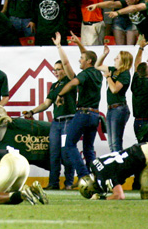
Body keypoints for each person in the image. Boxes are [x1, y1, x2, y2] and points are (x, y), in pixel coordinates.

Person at [23, 56, 76, 190]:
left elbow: (67, 64)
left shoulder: (71, 80)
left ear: (65, 70)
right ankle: (53, 183)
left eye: (59, 69)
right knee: (54, 154)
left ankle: (69, 183)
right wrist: (32, 112)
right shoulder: (54, 86)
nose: (56, 72)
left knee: (66, 154)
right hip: (56, 123)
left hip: (68, 121)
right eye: (54, 70)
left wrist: (58, 47)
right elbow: (46, 104)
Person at [57, 34, 103, 184]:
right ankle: (95, 177)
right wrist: (78, 43)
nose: (79, 60)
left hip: (83, 113)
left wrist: (60, 94)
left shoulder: (84, 74)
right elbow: (89, 56)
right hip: (95, 115)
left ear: (88, 61)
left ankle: (83, 175)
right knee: (88, 149)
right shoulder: (97, 73)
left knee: (69, 144)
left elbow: (73, 83)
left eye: (82, 59)